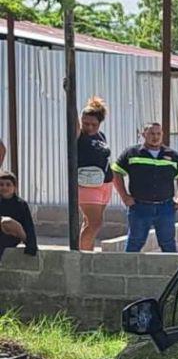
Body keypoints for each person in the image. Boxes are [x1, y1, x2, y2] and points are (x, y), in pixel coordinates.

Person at [112, 122, 178, 253]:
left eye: (158, 134)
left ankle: (170, 272)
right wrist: (124, 196)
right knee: (135, 242)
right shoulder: (132, 153)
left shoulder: (172, 155)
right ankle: (128, 273)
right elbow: (115, 172)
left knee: (168, 243)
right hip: (139, 207)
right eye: (152, 133)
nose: (155, 137)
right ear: (143, 135)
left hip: (165, 208)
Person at [76, 96, 114, 251]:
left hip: (105, 183)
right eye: (86, 123)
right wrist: (69, 94)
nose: (90, 127)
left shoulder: (100, 136)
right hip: (87, 184)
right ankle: (82, 256)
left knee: (90, 222)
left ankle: (87, 251)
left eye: (94, 124)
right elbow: (74, 121)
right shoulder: (79, 135)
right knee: (95, 223)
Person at [0, 170, 37, 262]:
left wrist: (31, 246)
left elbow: (28, 225)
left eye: (8, 185)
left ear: (14, 187)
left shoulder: (20, 204)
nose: (4, 187)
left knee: (7, 221)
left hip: (13, 235)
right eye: (1, 185)